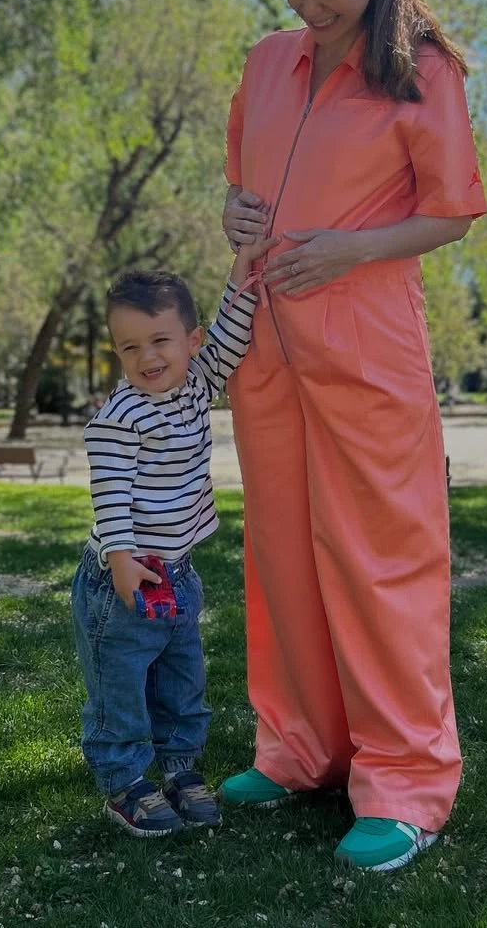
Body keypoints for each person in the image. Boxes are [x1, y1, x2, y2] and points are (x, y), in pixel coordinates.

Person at [218, 0, 487, 872]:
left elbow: (454, 209)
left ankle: (407, 779)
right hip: (267, 348)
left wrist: (350, 248)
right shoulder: (265, 63)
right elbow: (241, 178)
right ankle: (298, 747)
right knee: (283, 554)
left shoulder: (425, 74)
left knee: (382, 560)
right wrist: (238, 216)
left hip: (367, 344)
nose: (308, 7)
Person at [72, 235, 277, 838]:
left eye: (160, 340)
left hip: (178, 573)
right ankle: (125, 781)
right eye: (129, 346)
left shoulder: (195, 383)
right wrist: (119, 558)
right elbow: (109, 492)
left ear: (190, 342)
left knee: (183, 680)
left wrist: (240, 275)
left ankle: (182, 768)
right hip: (125, 580)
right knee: (122, 686)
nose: (146, 357)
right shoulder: (119, 417)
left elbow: (232, 336)